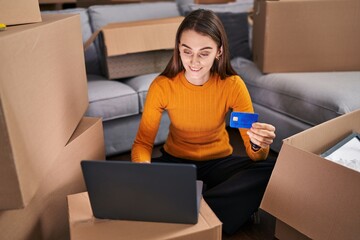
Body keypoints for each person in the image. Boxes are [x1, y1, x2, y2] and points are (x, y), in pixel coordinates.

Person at [131, 9, 276, 235]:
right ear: (178, 48)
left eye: (204, 53)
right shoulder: (162, 85)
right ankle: (215, 208)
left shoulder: (232, 85)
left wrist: (259, 143)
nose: (194, 62)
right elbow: (142, 144)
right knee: (129, 178)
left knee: (273, 166)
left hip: (219, 162)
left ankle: (196, 210)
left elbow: (254, 153)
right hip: (177, 162)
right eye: (187, 51)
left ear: (219, 52)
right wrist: (144, 171)